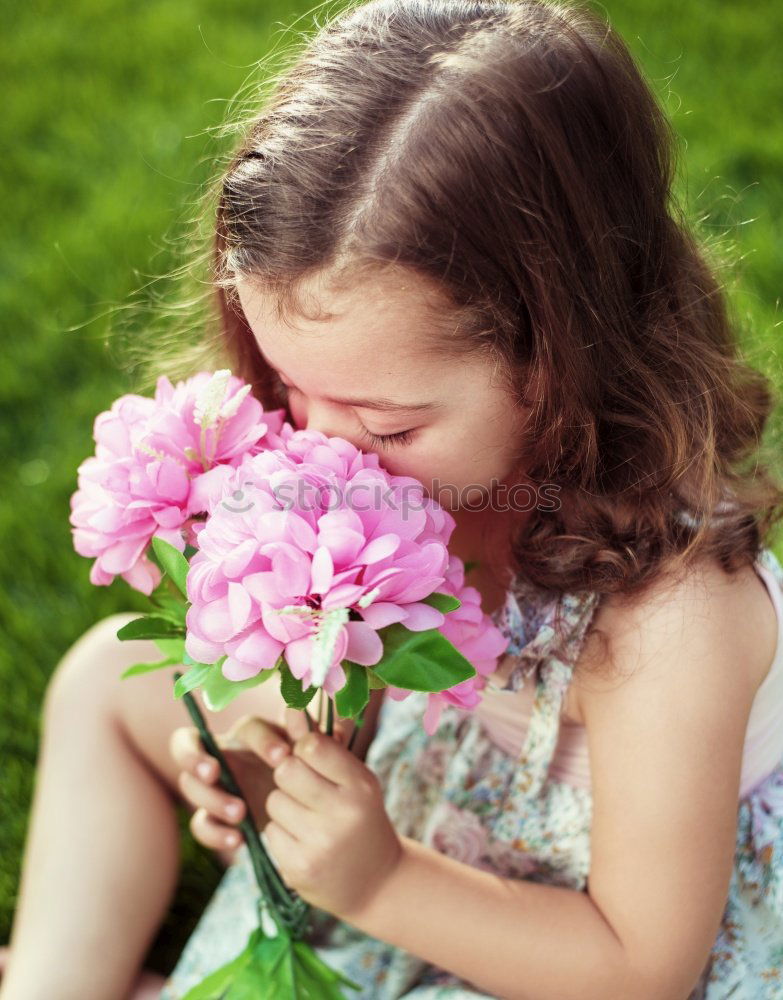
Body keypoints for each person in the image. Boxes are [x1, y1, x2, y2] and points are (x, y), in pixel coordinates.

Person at [3, 0, 783, 997]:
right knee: (105, 685)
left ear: (563, 358)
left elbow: (642, 965)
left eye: (388, 428)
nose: (323, 454)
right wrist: (284, 765)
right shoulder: (401, 453)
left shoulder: (671, 618)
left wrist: (377, 880)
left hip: (566, 948)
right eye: (289, 385)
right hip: (423, 813)